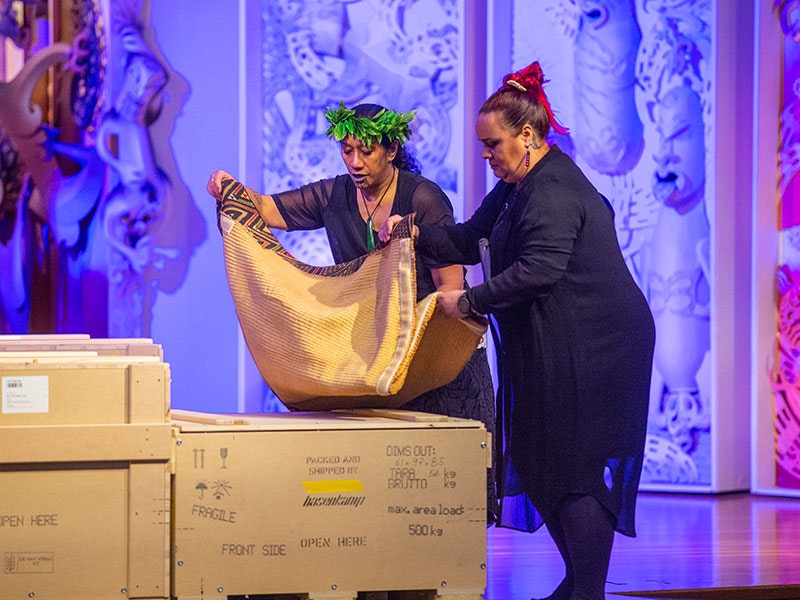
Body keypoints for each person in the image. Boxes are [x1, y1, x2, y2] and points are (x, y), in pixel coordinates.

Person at [380, 62, 656, 600]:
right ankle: (578, 582)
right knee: (534, 453)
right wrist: (410, 231)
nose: (486, 156)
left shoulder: (552, 188)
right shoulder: (514, 187)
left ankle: (587, 590)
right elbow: (466, 239)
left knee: (574, 461)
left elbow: (540, 270)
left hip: (598, 344)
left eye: (492, 144)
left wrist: (470, 301)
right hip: (559, 339)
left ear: (526, 135)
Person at [206, 101, 497, 519]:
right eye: (347, 151)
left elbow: (448, 288)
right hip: (378, 360)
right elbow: (265, 209)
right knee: (389, 498)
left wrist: (420, 350)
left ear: (391, 150)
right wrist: (229, 187)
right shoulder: (335, 194)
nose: (355, 162)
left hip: (435, 360)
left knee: (447, 495)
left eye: (366, 151)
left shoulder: (424, 198)